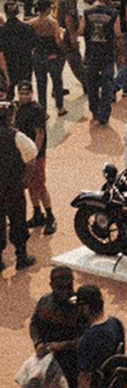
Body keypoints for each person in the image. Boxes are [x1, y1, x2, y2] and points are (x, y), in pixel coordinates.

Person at [30, 266, 86, 388]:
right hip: (47, 356)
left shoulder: (81, 307)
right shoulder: (45, 301)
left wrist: (63, 345)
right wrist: (38, 342)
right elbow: (34, 324)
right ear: (51, 286)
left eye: (69, 287)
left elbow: (86, 337)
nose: (65, 292)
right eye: (60, 287)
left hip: (72, 360)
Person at [0, 98, 36, 272]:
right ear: (10, 118)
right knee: (18, 220)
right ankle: (21, 257)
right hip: (13, 186)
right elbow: (31, 154)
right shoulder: (16, 136)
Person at [16, 81, 55, 234]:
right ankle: (37, 213)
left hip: (36, 155)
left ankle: (50, 216)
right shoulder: (18, 108)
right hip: (24, 155)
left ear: (32, 94)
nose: (23, 96)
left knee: (40, 185)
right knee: (31, 185)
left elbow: (40, 134)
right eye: (21, 93)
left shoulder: (37, 110)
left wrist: (34, 155)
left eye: (26, 93)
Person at [75, 284, 126, 388]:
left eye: (79, 306)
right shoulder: (116, 323)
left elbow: (85, 377)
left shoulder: (88, 339)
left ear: (86, 308)